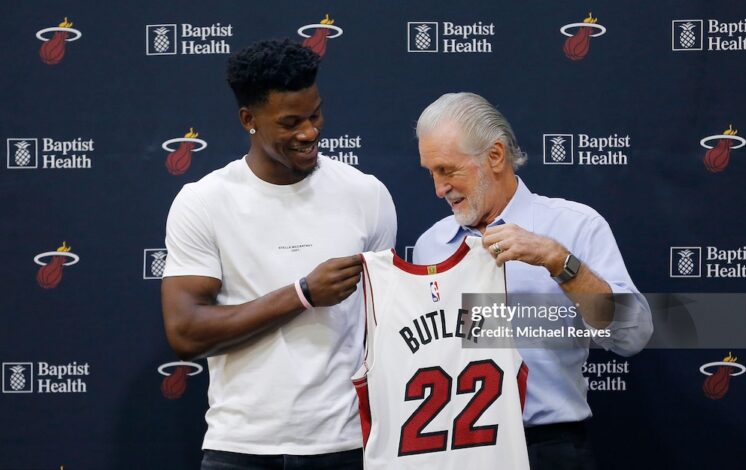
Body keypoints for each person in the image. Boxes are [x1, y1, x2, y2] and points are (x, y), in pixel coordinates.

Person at [161, 39, 397, 470]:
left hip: (347, 445)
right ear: (248, 120)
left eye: (315, 114)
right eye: (290, 122)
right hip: (241, 448)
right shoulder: (204, 202)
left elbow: (387, 325)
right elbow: (185, 331)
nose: (309, 132)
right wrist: (303, 294)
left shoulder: (366, 195)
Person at [412, 92, 653, 469]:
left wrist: (559, 262)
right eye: (431, 172)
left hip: (548, 449)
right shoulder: (430, 245)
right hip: (453, 451)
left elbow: (631, 337)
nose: (438, 189)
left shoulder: (575, 226)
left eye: (447, 169)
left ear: (494, 156)